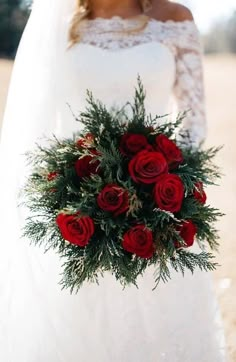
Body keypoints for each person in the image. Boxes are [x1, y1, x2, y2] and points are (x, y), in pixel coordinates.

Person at [0, 0, 227, 361]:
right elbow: (43, 125)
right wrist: (71, 186)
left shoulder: (174, 20)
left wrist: (158, 189)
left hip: (159, 212)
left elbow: (193, 122)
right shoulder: (60, 28)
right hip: (82, 209)